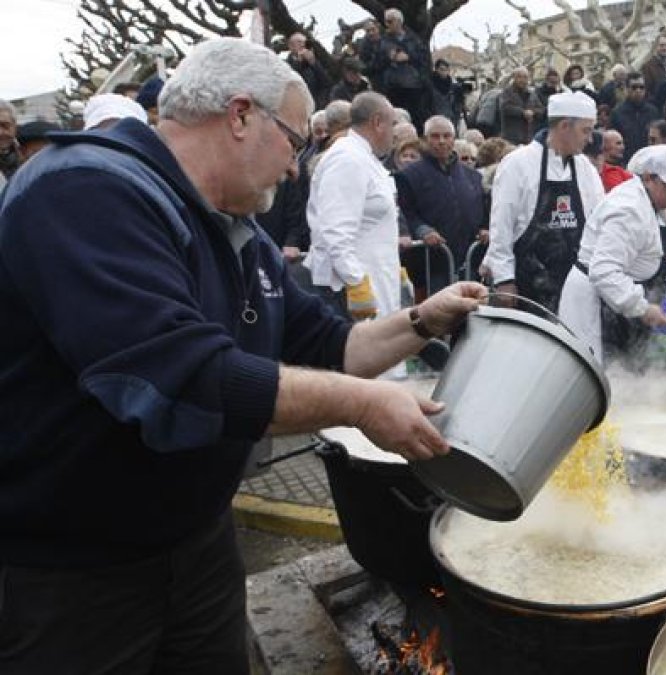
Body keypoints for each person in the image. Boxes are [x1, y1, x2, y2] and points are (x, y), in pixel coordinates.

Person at [0, 37, 485, 675]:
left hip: (199, 543)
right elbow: (181, 378)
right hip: (76, 573)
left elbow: (335, 345)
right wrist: (364, 406)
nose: (295, 167)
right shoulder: (83, 191)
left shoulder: (241, 232)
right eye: (294, 139)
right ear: (239, 115)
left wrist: (426, 317)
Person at [559, 145, 666, 362]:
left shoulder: (649, 201)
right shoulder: (628, 210)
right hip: (596, 301)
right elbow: (604, 271)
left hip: (614, 297)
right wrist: (643, 308)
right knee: (595, 372)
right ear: (649, 178)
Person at [483, 92, 604, 311]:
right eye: (586, 130)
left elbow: (599, 222)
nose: (591, 138)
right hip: (526, 284)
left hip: (573, 286)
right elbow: (501, 225)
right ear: (565, 126)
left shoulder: (586, 169)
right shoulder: (517, 164)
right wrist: (503, 279)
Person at [305, 93, 404, 323]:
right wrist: (356, 281)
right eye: (393, 124)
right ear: (377, 122)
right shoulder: (347, 159)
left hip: (374, 280)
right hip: (348, 292)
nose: (395, 133)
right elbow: (335, 231)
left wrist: (393, 268)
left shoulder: (365, 159)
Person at [396, 116, 486, 294]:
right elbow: (406, 213)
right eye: (435, 136)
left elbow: (484, 209)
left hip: (469, 261)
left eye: (446, 136)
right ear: (425, 139)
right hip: (432, 264)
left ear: (454, 138)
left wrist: (485, 228)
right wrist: (423, 230)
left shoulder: (473, 176)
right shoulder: (409, 175)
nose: (441, 141)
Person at [610, 74, 660, 162]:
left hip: (649, 160)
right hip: (626, 161)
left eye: (641, 87)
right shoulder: (617, 113)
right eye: (634, 87)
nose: (638, 90)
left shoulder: (653, 112)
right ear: (626, 89)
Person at [285, 32, 331, 109]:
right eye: (299, 42)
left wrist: (314, 63)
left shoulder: (312, 64)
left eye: (304, 42)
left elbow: (326, 83)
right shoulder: (285, 64)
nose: (303, 45)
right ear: (291, 46)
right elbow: (291, 81)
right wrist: (299, 63)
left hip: (314, 106)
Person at [498, 67, 544, 146]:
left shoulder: (532, 93)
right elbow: (505, 107)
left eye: (525, 77)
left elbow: (541, 109)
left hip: (528, 137)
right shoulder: (507, 92)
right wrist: (522, 112)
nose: (522, 80)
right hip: (511, 138)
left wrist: (533, 112)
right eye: (519, 76)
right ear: (514, 78)